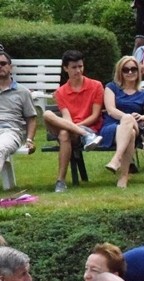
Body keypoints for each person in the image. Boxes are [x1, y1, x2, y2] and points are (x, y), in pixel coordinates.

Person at [42, 50, 104, 193]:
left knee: (64, 134)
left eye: (80, 66)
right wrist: (76, 129)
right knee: (47, 114)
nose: (78, 70)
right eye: (74, 67)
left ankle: (60, 181)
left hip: (90, 127)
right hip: (79, 131)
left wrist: (74, 128)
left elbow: (95, 116)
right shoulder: (60, 92)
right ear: (65, 68)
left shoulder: (96, 86)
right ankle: (86, 135)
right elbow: (66, 117)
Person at [99, 56, 144, 189]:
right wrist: (127, 117)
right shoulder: (111, 87)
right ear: (120, 72)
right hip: (112, 128)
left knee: (130, 126)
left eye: (133, 69)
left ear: (139, 71)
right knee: (129, 131)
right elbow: (110, 110)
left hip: (137, 129)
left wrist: (143, 117)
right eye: (126, 70)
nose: (130, 72)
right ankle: (123, 177)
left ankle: (117, 159)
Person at [0, 50, 36, 184]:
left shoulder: (23, 92)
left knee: (0, 148)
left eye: (3, 63)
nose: (0, 67)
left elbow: (31, 118)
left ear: (10, 67)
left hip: (11, 131)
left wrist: (29, 139)